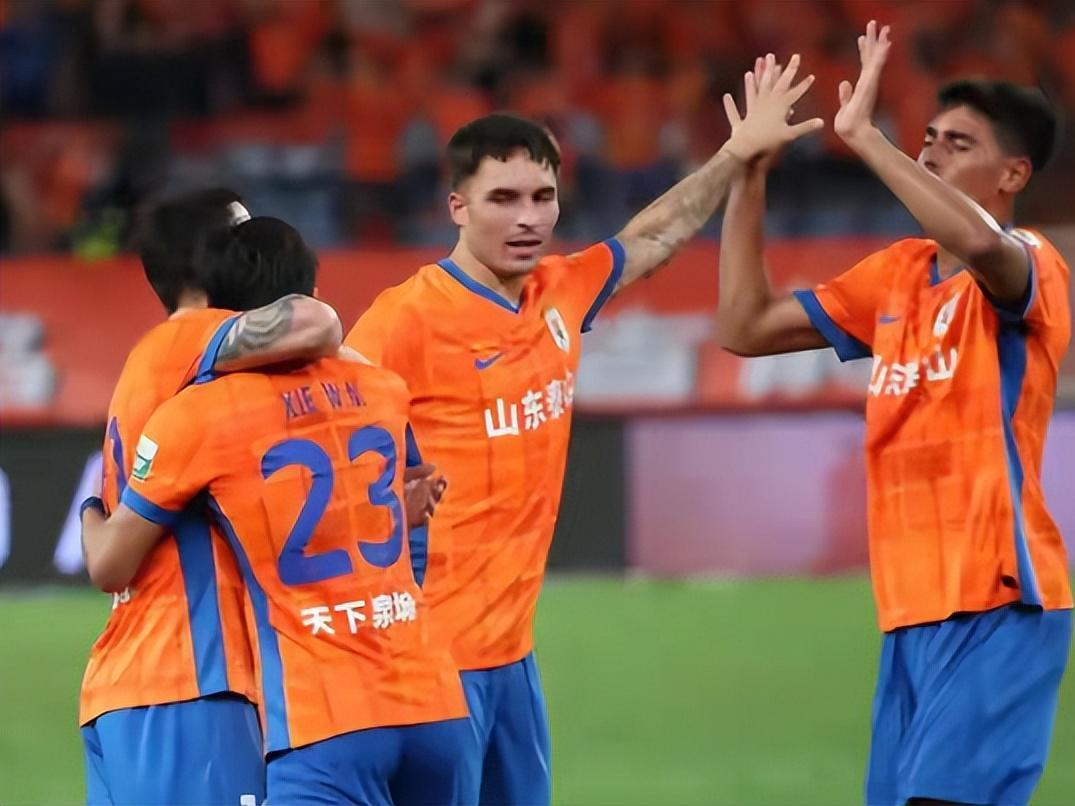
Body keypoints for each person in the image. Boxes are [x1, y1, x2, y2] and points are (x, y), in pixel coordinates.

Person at [346, 57, 822, 804]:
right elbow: (326, 429)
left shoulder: (560, 289)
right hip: (430, 655)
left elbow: (654, 236)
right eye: (503, 198)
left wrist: (734, 155)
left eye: (542, 197)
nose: (528, 217)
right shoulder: (403, 321)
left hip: (511, 653)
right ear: (457, 207)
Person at [716, 24, 1073, 805]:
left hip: (999, 601)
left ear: (1013, 173)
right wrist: (749, 175)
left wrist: (866, 140)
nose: (931, 153)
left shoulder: (1030, 264)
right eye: (929, 139)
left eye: (958, 144)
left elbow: (982, 245)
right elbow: (744, 325)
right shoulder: (897, 276)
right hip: (909, 611)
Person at [81, 216, 469, 805]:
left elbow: (111, 562)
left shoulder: (202, 415)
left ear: (224, 313)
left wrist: (91, 506)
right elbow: (393, 497)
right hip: (432, 697)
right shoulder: (383, 389)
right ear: (310, 288)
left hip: (322, 717)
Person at [79, 190, 341, 805]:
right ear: (208, 260)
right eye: (242, 236)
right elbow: (318, 323)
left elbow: (110, 542)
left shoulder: (155, 361)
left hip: (127, 686)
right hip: (194, 679)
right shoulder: (196, 339)